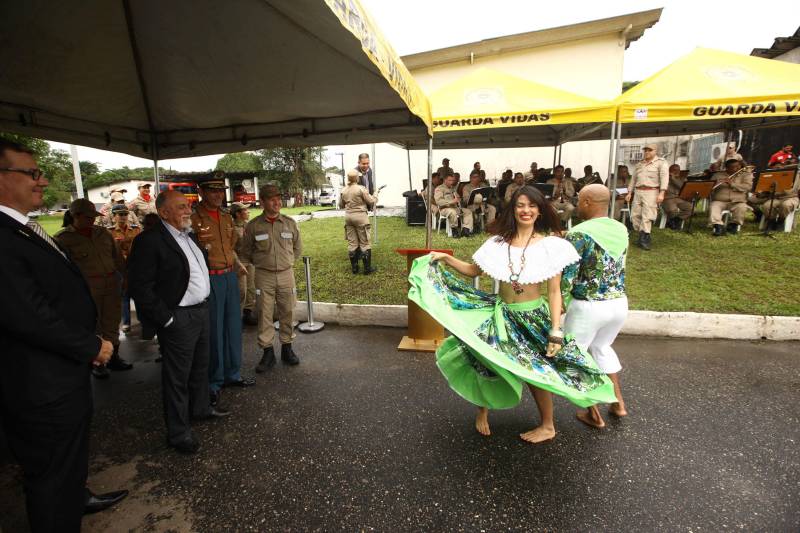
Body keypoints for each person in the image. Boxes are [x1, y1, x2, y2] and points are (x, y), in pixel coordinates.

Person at [411, 186, 615, 443]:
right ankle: (482, 412)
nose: (526, 210)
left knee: (538, 372)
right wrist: (446, 259)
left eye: (531, 206)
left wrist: (555, 330)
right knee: (485, 360)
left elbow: (554, 293)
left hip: (533, 318)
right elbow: (475, 270)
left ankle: (548, 426)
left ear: (539, 210)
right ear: (513, 209)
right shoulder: (497, 243)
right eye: (520, 205)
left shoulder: (552, 246)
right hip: (502, 315)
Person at [0, 139, 127, 532]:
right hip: (41, 386)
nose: (42, 181)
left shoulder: (22, 228)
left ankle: (77, 496)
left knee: (67, 467)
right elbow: (29, 315)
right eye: (32, 173)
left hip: (60, 375)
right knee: (51, 480)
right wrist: (93, 345)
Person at [128, 190, 229, 454]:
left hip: (201, 311)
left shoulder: (189, 236)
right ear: (164, 212)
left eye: (188, 206)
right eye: (182, 207)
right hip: (179, 317)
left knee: (200, 368)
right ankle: (179, 432)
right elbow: (141, 287)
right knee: (177, 378)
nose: (188, 211)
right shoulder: (149, 241)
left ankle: (201, 409)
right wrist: (168, 319)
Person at [562, 184, 629, 429]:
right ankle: (618, 404)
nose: (577, 205)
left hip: (588, 306)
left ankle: (592, 411)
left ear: (588, 202)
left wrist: (557, 303)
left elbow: (567, 276)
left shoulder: (579, 233)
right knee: (602, 348)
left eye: (579, 201)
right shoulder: (620, 228)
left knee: (574, 355)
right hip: (618, 303)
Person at [191, 180, 254, 406]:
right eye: (212, 191)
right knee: (215, 331)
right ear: (201, 192)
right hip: (209, 278)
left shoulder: (227, 216)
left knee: (233, 326)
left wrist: (237, 265)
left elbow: (230, 247)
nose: (218, 195)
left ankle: (232, 374)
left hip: (229, 276)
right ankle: (214, 382)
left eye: (220, 191)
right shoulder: (193, 218)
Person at [56, 199, 133, 378]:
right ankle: (98, 363)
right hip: (88, 287)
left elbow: (117, 259)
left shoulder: (103, 233)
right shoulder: (64, 239)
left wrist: (125, 278)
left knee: (112, 322)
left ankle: (113, 358)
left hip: (111, 282)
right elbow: (62, 270)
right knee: (93, 325)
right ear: (75, 216)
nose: (92, 220)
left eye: (93, 216)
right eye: (87, 217)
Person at [240, 184, 302, 372]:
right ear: (262, 202)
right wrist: (262, 263)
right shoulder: (254, 226)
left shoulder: (289, 223)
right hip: (263, 275)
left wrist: (287, 262)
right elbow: (246, 251)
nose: (277, 202)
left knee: (288, 311)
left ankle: (287, 348)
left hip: (286, 274)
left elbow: (298, 248)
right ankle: (267, 353)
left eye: (278, 198)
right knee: (264, 313)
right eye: (271, 198)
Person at [626, 143, 668, 250]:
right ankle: (641, 234)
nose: (647, 152)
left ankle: (644, 238)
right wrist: (629, 192)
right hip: (638, 191)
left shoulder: (661, 163)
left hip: (652, 191)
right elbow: (633, 179)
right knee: (635, 215)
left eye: (650, 150)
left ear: (655, 151)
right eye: (645, 150)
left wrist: (662, 193)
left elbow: (664, 178)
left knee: (647, 215)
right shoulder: (639, 164)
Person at [340, 169, 380, 274]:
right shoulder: (361, 189)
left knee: (352, 243)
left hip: (348, 217)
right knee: (365, 242)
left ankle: (355, 268)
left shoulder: (343, 190)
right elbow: (371, 201)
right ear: (357, 178)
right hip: (360, 217)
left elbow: (341, 205)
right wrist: (376, 194)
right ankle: (367, 269)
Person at [110, 204, 141, 334]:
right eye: (120, 214)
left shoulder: (136, 229)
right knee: (124, 296)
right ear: (114, 217)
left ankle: (143, 319)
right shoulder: (109, 232)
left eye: (125, 214)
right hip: (120, 267)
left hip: (135, 266)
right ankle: (126, 322)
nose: (123, 217)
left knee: (139, 294)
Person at [709, 159, 754, 236]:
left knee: (741, 207)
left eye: (738, 166)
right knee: (714, 206)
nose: (738, 168)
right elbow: (709, 187)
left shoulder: (746, 175)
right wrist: (716, 183)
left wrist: (732, 184)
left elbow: (748, 187)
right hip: (720, 200)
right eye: (734, 167)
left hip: (738, 200)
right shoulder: (717, 175)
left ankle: (733, 225)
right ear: (727, 168)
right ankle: (718, 226)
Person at [231, 202, 258, 325]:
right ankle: (237, 317)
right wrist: (238, 264)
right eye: (245, 210)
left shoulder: (248, 226)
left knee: (251, 288)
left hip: (250, 262)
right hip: (239, 263)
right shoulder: (232, 228)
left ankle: (248, 313)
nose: (248, 212)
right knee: (241, 291)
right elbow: (230, 249)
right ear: (237, 214)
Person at [435, 172, 473, 238]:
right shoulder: (439, 189)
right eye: (450, 180)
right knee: (452, 212)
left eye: (452, 180)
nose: (452, 182)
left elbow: (458, 198)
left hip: (455, 208)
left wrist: (459, 199)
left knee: (468, 211)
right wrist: (452, 201)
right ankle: (454, 231)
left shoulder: (452, 189)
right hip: (444, 209)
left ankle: (465, 230)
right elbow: (439, 201)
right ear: (445, 180)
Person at [662, 164, 692, 230]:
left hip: (678, 199)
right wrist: (670, 178)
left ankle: (674, 221)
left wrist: (674, 179)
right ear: (669, 170)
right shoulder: (664, 177)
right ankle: (673, 223)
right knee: (673, 210)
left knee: (690, 208)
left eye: (678, 170)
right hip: (667, 199)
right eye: (674, 170)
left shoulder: (681, 178)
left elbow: (682, 187)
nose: (676, 172)